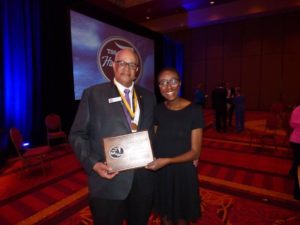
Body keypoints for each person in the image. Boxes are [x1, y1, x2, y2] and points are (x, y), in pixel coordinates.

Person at [69, 48, 156, 225]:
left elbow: (156, 132)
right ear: (114, 66)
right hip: (108, 181)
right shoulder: (93, 94)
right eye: (122, 63)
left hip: (142, 182)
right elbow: (77, 135)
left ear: (137, 70)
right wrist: (93, 164)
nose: (127, 68)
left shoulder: (149, 97)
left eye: (132, 64)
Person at [147, 68, 204, 225]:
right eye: (163, 83)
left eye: (172, 81)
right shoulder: (157, 110)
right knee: (165, 215)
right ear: (159, 87)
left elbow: (195, 152)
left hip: (183, 171)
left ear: (179, 83)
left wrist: (168, 160)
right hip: (162, 171)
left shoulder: (194, 110)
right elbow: (154, 140)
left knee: (181, 217)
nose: (168, 86)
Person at [289, 100, 300, 200]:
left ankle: (292, 172)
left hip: (296, 139)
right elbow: (292, 124)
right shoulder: (297, 110)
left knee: (297, 163)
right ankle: (297, 192)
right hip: (297, 140)